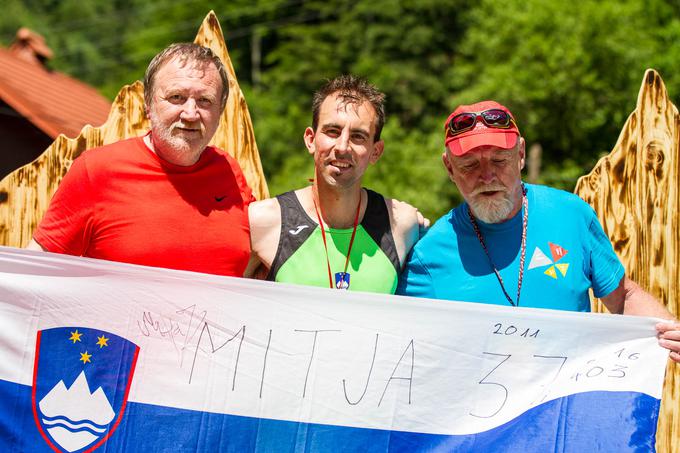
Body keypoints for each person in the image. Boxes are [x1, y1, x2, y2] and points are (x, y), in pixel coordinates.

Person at [397, 100, 680, 363]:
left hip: (567, 410)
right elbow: (402, 345)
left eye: (499, 160)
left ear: (520, 154)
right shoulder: (429, 254)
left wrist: (673, 334)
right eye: (470, 165)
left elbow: (623, 297)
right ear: (449, 167)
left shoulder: (571, 214)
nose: (486, 176)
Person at [27, 43, 254, 277]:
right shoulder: (96, 171)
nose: (190, 113)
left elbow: (263, 260)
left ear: (220, 111)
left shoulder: (229, 171)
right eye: (176, 97)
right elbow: (35, 272)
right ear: (148, 104)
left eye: (205, 101)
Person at [247, 75, 420, 293]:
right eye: (332, 131)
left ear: (376, 151)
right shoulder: (264, 222)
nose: (342, 146)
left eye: (358, 136)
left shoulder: (403, 225)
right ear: (310, 140)